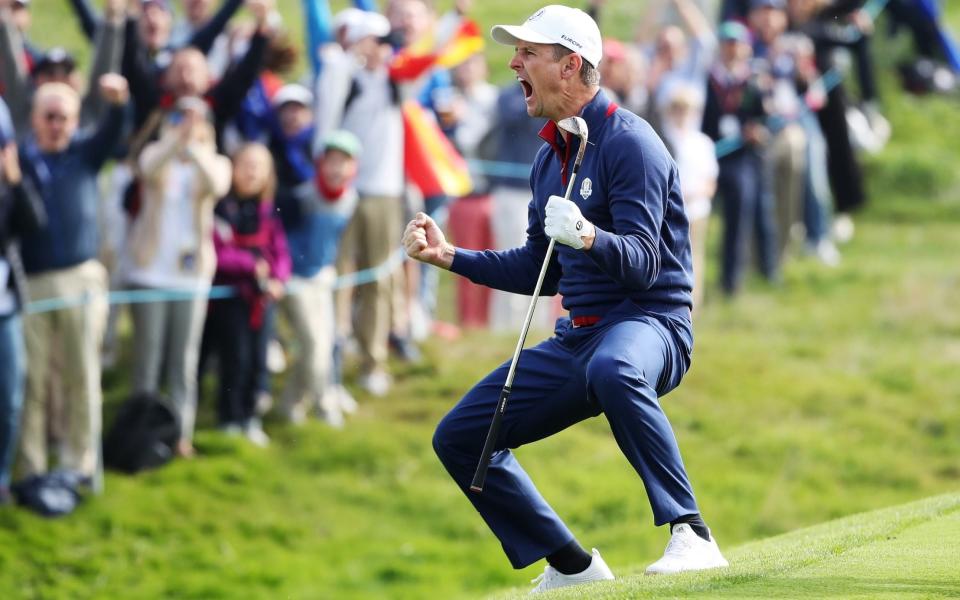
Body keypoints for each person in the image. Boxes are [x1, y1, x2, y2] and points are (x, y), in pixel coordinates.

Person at [403, 6, 728, 594]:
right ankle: (574, 567)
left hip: (651, 323)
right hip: (578, 337)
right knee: (460, 437)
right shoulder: (547, 157)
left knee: (615, 366)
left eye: (528, 53)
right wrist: (452, 258)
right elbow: (538, 270)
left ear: (571, 64)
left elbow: (644, 264)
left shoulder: (631, 143)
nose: (513, 63)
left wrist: (586, 235)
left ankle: (693, 534)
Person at [16, 75, 129, 481]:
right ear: (34, 118)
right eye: (49, 116)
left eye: (64, 117)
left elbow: (116, 129)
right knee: (32, 382)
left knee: (82, 375)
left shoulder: (85, 154)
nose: (56, 124)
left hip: (82, 278)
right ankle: (29, 465)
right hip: (32, 282)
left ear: (75, 120)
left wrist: (118, 104)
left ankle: (80, 463)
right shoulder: (20, 163)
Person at [126, 97, 232, 458]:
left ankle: (179, 435)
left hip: (191, 276)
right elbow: (148, 169)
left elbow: (217, 185)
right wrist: (174, 141)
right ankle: (140, 432)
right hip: (150, 272)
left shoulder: (214, 161)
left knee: (183, 362)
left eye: (195, 118)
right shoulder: (158, 152)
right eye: (180, 116)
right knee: (147, 359)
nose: (187, 123)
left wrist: (196, 146)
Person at [278, 130, 362, 427]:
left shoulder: (350, 200)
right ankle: (325, 406)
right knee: (313, 344)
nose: (336, 168)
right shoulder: (303, 197)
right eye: (331, 160)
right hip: (295, 281)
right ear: (320, 164)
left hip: (323, 278)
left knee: (324, 344)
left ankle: (290, 404)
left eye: (344, 161)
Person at [208, 143, 290, 447]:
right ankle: (229, 418)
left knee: (258, 359)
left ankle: (251, 417)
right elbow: (218, 251)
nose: (252, 171)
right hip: (232, 300)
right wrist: (251, 268)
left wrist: (278, 278)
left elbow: (280, 251)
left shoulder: (268, 210)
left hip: (263, 299)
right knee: (235, 359)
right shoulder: (221, 207)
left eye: (259, 165)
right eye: (246, 164)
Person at [0, 105, 45, 503]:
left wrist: (14, 180)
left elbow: (35, 225)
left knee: (11, 397)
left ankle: (1, 477)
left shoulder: (9, 188)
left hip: (6, 308)